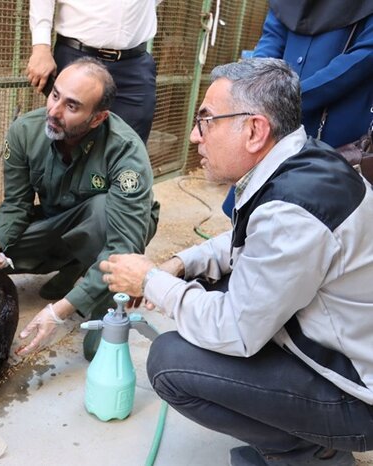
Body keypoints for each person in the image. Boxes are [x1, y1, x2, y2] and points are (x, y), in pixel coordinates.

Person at [100, 58, 373, 466]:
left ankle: (310, 452)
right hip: (347, 346)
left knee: (171, 362)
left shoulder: (292, 211)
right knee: (208, 283)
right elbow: (248, 243)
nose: (195, 136)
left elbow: (236, 330)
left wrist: (151, 280)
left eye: (206, 120)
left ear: (253, 130)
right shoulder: (305, 160)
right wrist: (180, 263)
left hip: (357, 395)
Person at [0, 57, 159, 360]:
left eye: (71, 106)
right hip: (59, 222)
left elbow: (123, 246)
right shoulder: (25, 132)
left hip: (112, 233)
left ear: (98, 118)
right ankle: (75, 265)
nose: (54, 111)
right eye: (55, 95)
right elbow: (16, 204)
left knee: (101, 213)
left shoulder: (125, 150)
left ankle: (102, 298)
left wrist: (59, 311)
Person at [222, 0, 373, 215]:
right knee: (254, 209)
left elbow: (363, 57)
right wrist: (255, 88)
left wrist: (288, 98)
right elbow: (270, 43)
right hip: (274, 117)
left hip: (332, 125)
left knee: (316, 216)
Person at [26, 0, 158, 143]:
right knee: (67, 140)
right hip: (77, 53)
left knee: (131, 143)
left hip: (134, 63)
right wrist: (41, 46)